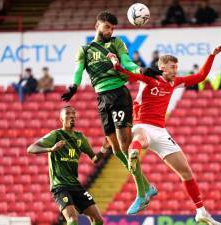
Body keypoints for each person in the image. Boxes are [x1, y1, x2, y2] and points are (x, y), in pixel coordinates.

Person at [108, 45, 221, 225]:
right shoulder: (148, 79)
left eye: (176, 67)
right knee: (141, 139)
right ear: (162, 66)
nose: (175, 71)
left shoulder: (174, 82)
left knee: (186, 172)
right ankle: (133, 153)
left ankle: (201, 212)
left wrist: (212, 55)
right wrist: (116, 65)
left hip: (161, 132)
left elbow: (200, 77)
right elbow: (130, 75)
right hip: (142, 125)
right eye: (172, 67)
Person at [61, 11, 157, 215]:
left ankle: (142, 193)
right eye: (107, 27)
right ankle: (147, 186)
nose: (110, 31)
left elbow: (127, 61)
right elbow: (79, 70)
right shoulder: (85, 50)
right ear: (97, 25)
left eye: (112, 28)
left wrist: (140, 70)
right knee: (116, 150)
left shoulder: (117, 43)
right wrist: (74, 86)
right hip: (102, 98)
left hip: (119, 94)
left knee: (125, 146)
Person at [27, 106, 104, 225]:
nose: (72, 116)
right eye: (68, 113)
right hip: (60, 186)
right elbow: (31, 148)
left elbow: (94, 159)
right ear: (61, 118)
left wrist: (104, 149)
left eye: (74, 114)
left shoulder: (80, 138)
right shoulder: (56, 135)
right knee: (72, 220)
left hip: (75, 185)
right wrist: (51, 149)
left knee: (98, 220)